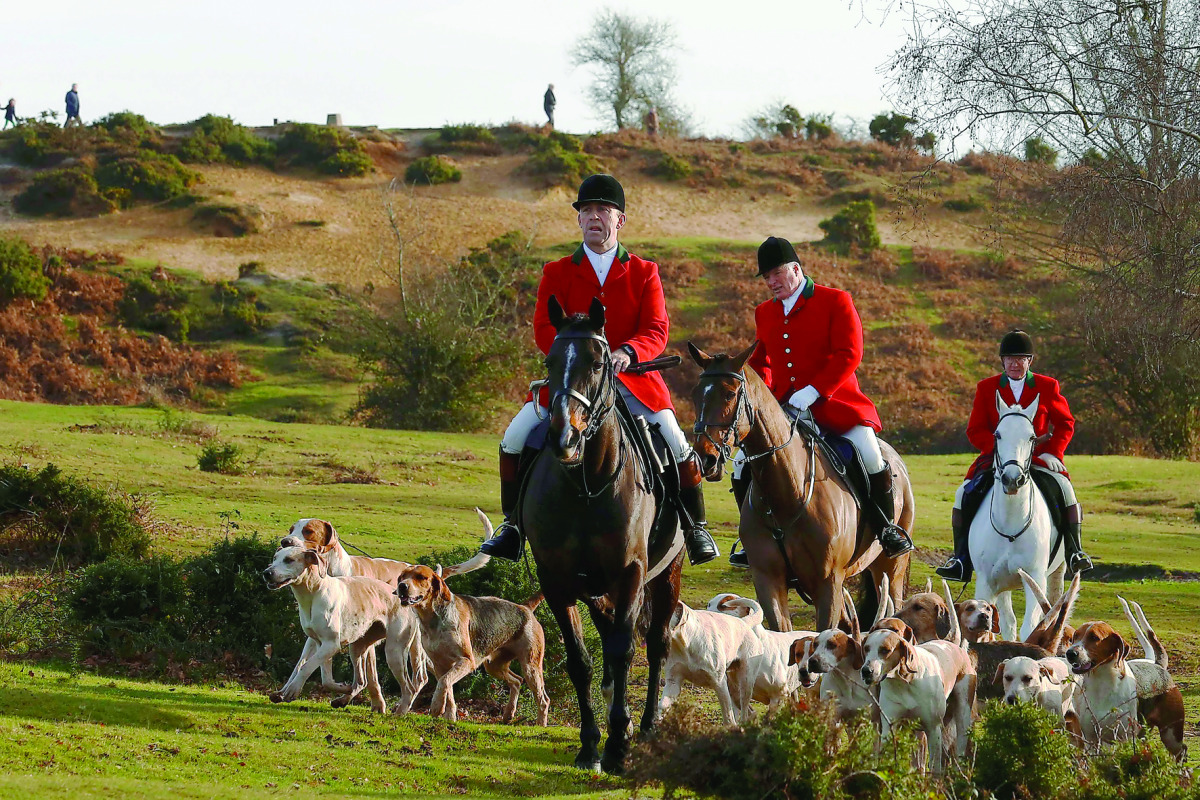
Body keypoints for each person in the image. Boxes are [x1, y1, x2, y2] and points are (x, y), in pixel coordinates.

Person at [480, 173, 719, 566]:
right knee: (515, 435)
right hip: (572, 383)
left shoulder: (645, 271)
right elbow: (543, 328)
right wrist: (573, 353)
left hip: (632, 381)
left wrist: (628, 351)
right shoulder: (556, 272)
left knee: (675, 439)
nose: (594, 217)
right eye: (587, 211)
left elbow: (657, 329)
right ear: (578, 220)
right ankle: (513, 527)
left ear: (619, 220)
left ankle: (696, 527)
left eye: (603, 211)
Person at [727, 236, 913, 566]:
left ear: (795, 269)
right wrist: (760, 396)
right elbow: (761, 364)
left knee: (869, 453)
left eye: (776, 274)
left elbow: (850, 353)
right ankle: (749, 539)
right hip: (785, 409)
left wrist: (814, 390)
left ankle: (886, 529)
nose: (771, 283)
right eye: (766, 277)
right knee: (742, 462)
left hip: (836, 404)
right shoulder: (764, 312)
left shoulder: (835, 300)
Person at [936, 330, 1093, 581]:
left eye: (1020, 358)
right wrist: (999, 450)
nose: (1014, 364)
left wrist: (1054, 452)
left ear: (1030, 361)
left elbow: (1065, 423)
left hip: (1039, 458)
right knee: (962, 493)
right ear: (1002, 361)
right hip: (998, 459)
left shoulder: (1047, 386)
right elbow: (974, 429)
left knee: (1065, 489)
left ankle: (1075, 551)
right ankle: (961, 558)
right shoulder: (986, 388)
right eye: (1009, 358)